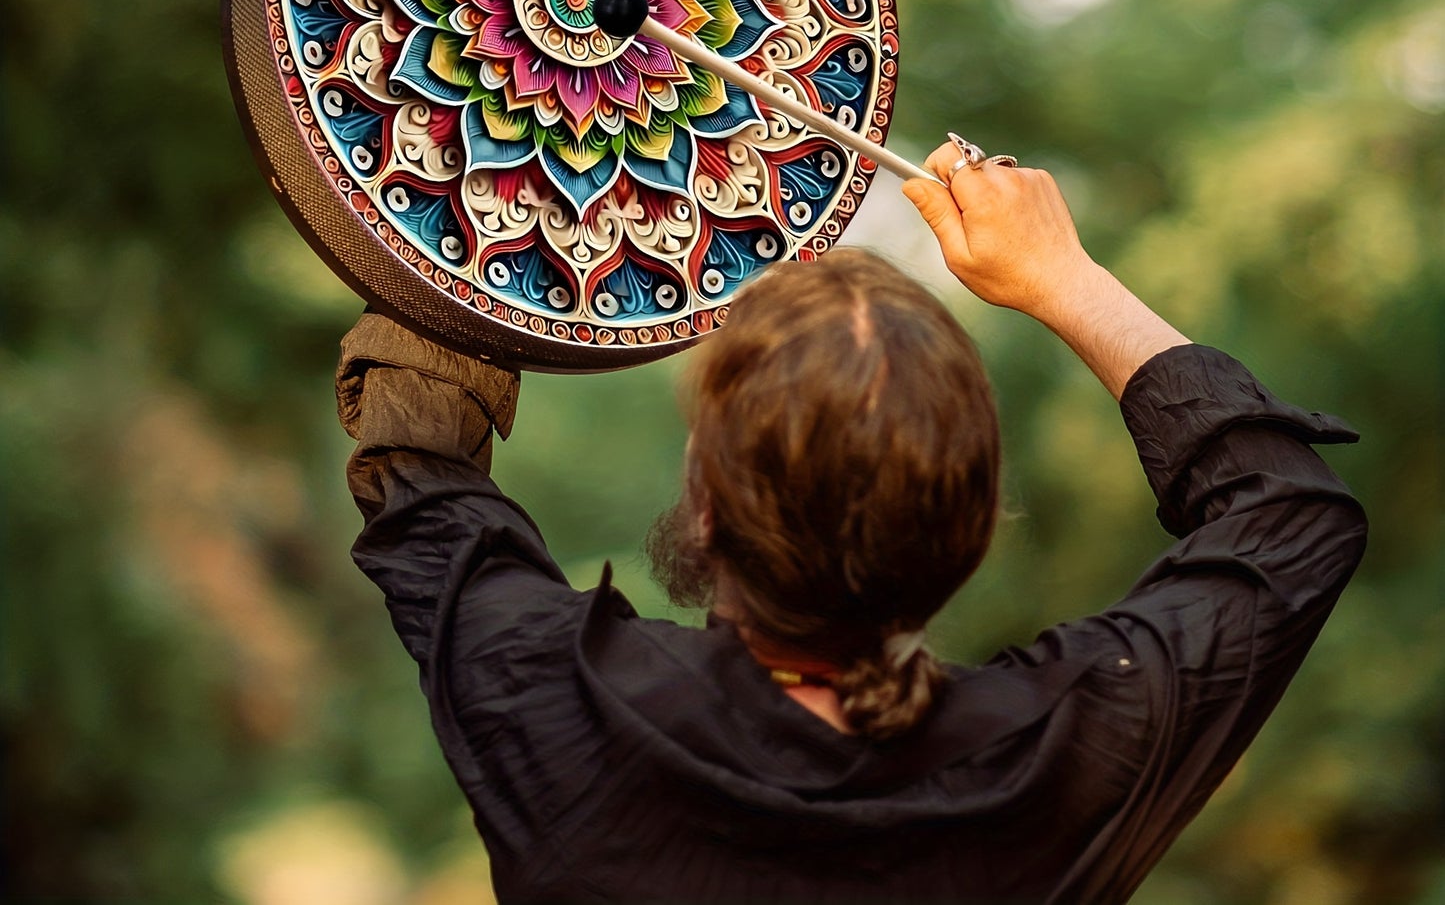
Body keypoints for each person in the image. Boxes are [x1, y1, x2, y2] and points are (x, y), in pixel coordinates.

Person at [336, 143, 1366, 904]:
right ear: (966, 531)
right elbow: (1288, 514)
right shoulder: (1067, 760)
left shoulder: (542, 696)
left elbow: (416, 448)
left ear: (703, 506)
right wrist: (1065, 278)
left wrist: (486, 189)